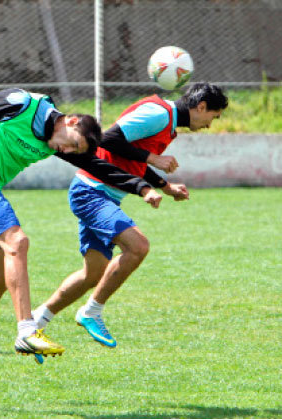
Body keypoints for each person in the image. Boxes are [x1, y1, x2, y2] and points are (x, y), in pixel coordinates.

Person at [0, 88, 162, 379]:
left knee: (2, 274)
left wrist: (142, 187)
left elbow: (96, 166)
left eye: (72, 152)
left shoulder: (57, 141)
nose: (65, 153)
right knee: (17, 242)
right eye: (73, 145)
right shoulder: (23, 104)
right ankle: (26, 330)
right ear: (72, 121)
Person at [32, 82, 229, 348]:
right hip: (91, 191)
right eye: (213, 117)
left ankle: (36, 322)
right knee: (138, 247)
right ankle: (92, 312)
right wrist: (153, 158)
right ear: (201, 107)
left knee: (93, 274)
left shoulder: (167, 122)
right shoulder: (159, 114)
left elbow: (131, 159)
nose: (210, 124)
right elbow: (108, 138)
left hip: (103, 194)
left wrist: (165, 187)